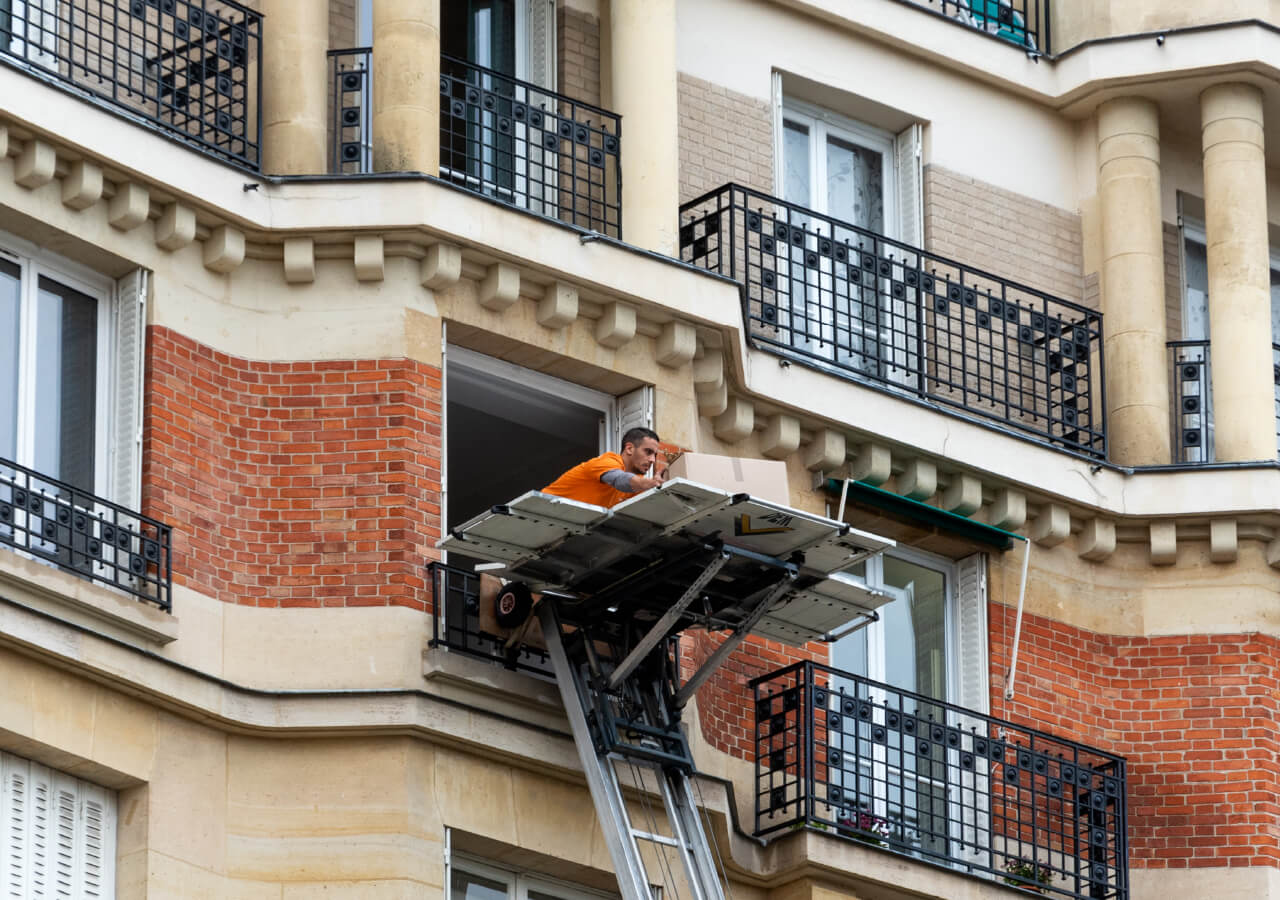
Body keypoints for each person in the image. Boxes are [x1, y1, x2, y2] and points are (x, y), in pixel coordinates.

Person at [540, 426, 666, 508]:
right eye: (648, 452)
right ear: (629, 448)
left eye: (655, 455)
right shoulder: (608, 462)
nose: (652, 460)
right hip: (540, 511)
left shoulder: (637, 484)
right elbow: (619, 479)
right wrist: (649, 483)